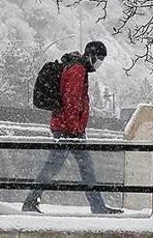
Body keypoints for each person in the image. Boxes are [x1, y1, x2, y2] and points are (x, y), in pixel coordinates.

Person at [22, 41, 122, 215]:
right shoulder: (77, 69)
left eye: (102, 59)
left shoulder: (77, 67)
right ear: (90, 55)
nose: (99, 62)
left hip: (68, 127)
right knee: (69, 167)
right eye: (98, 58)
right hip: (68, 129)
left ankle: (96, 205)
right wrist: (75, 129)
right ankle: (96, 206)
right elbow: (72, 101)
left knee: (69, 167)